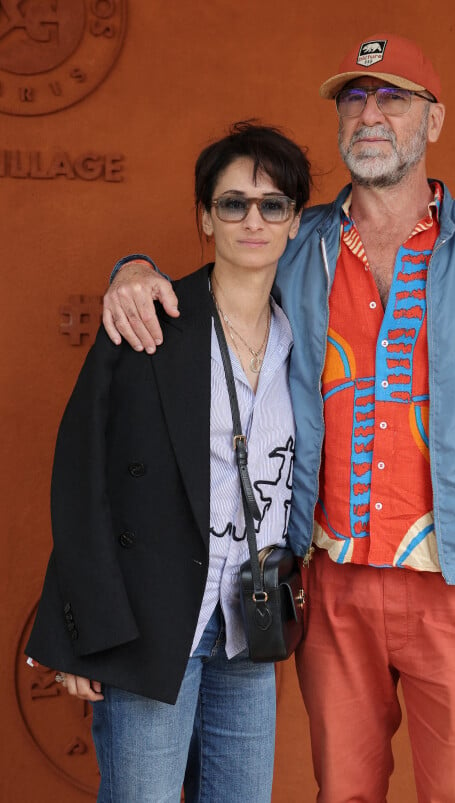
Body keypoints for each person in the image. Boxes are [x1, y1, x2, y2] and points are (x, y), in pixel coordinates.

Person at [100, 33, 455, 803]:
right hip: (332, 584)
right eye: (354, 98)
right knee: (342, 791)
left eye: (392, 97)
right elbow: (216, 272)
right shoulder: (299, 240)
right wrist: (132, 271)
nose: (370, 114)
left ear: (435, 121)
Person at [25, 122, 312, 803]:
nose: (253, 219)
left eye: (273, 205)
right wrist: (82, 628)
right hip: (153, 619)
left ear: (296, 222)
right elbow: (83, 472)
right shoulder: (151, 321)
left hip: (251, 620)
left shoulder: (306, 336)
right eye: (233, 202)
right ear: (205, 219)